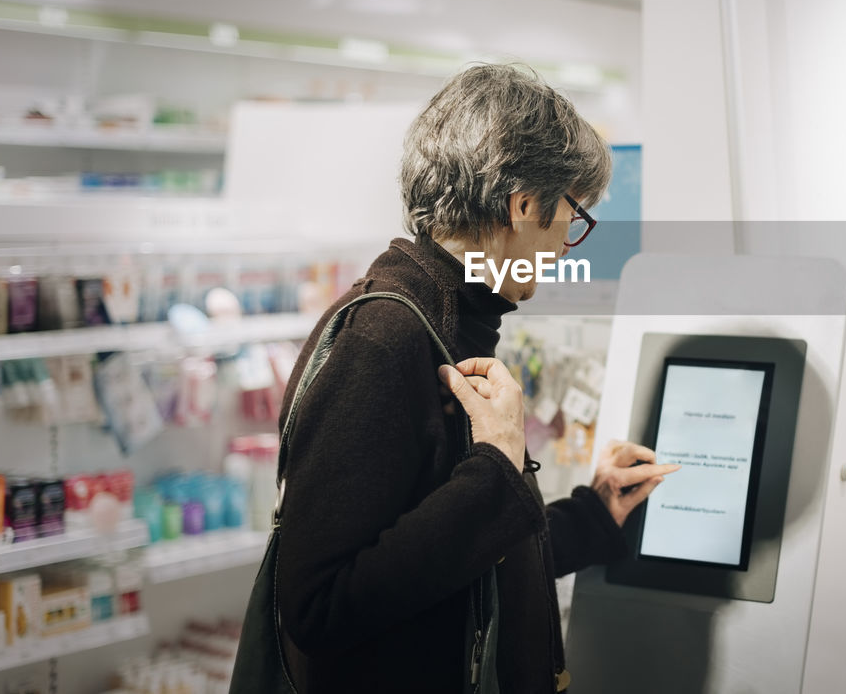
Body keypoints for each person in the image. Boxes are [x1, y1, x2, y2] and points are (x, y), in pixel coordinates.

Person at [275, 64, 678, 693]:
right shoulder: (384, 338)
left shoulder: (447, 325)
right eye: (571, 217)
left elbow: (458, 555)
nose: (570, 245)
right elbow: (318, 607)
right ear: (521, 205)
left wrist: (593, 516)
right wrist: (495, 464)